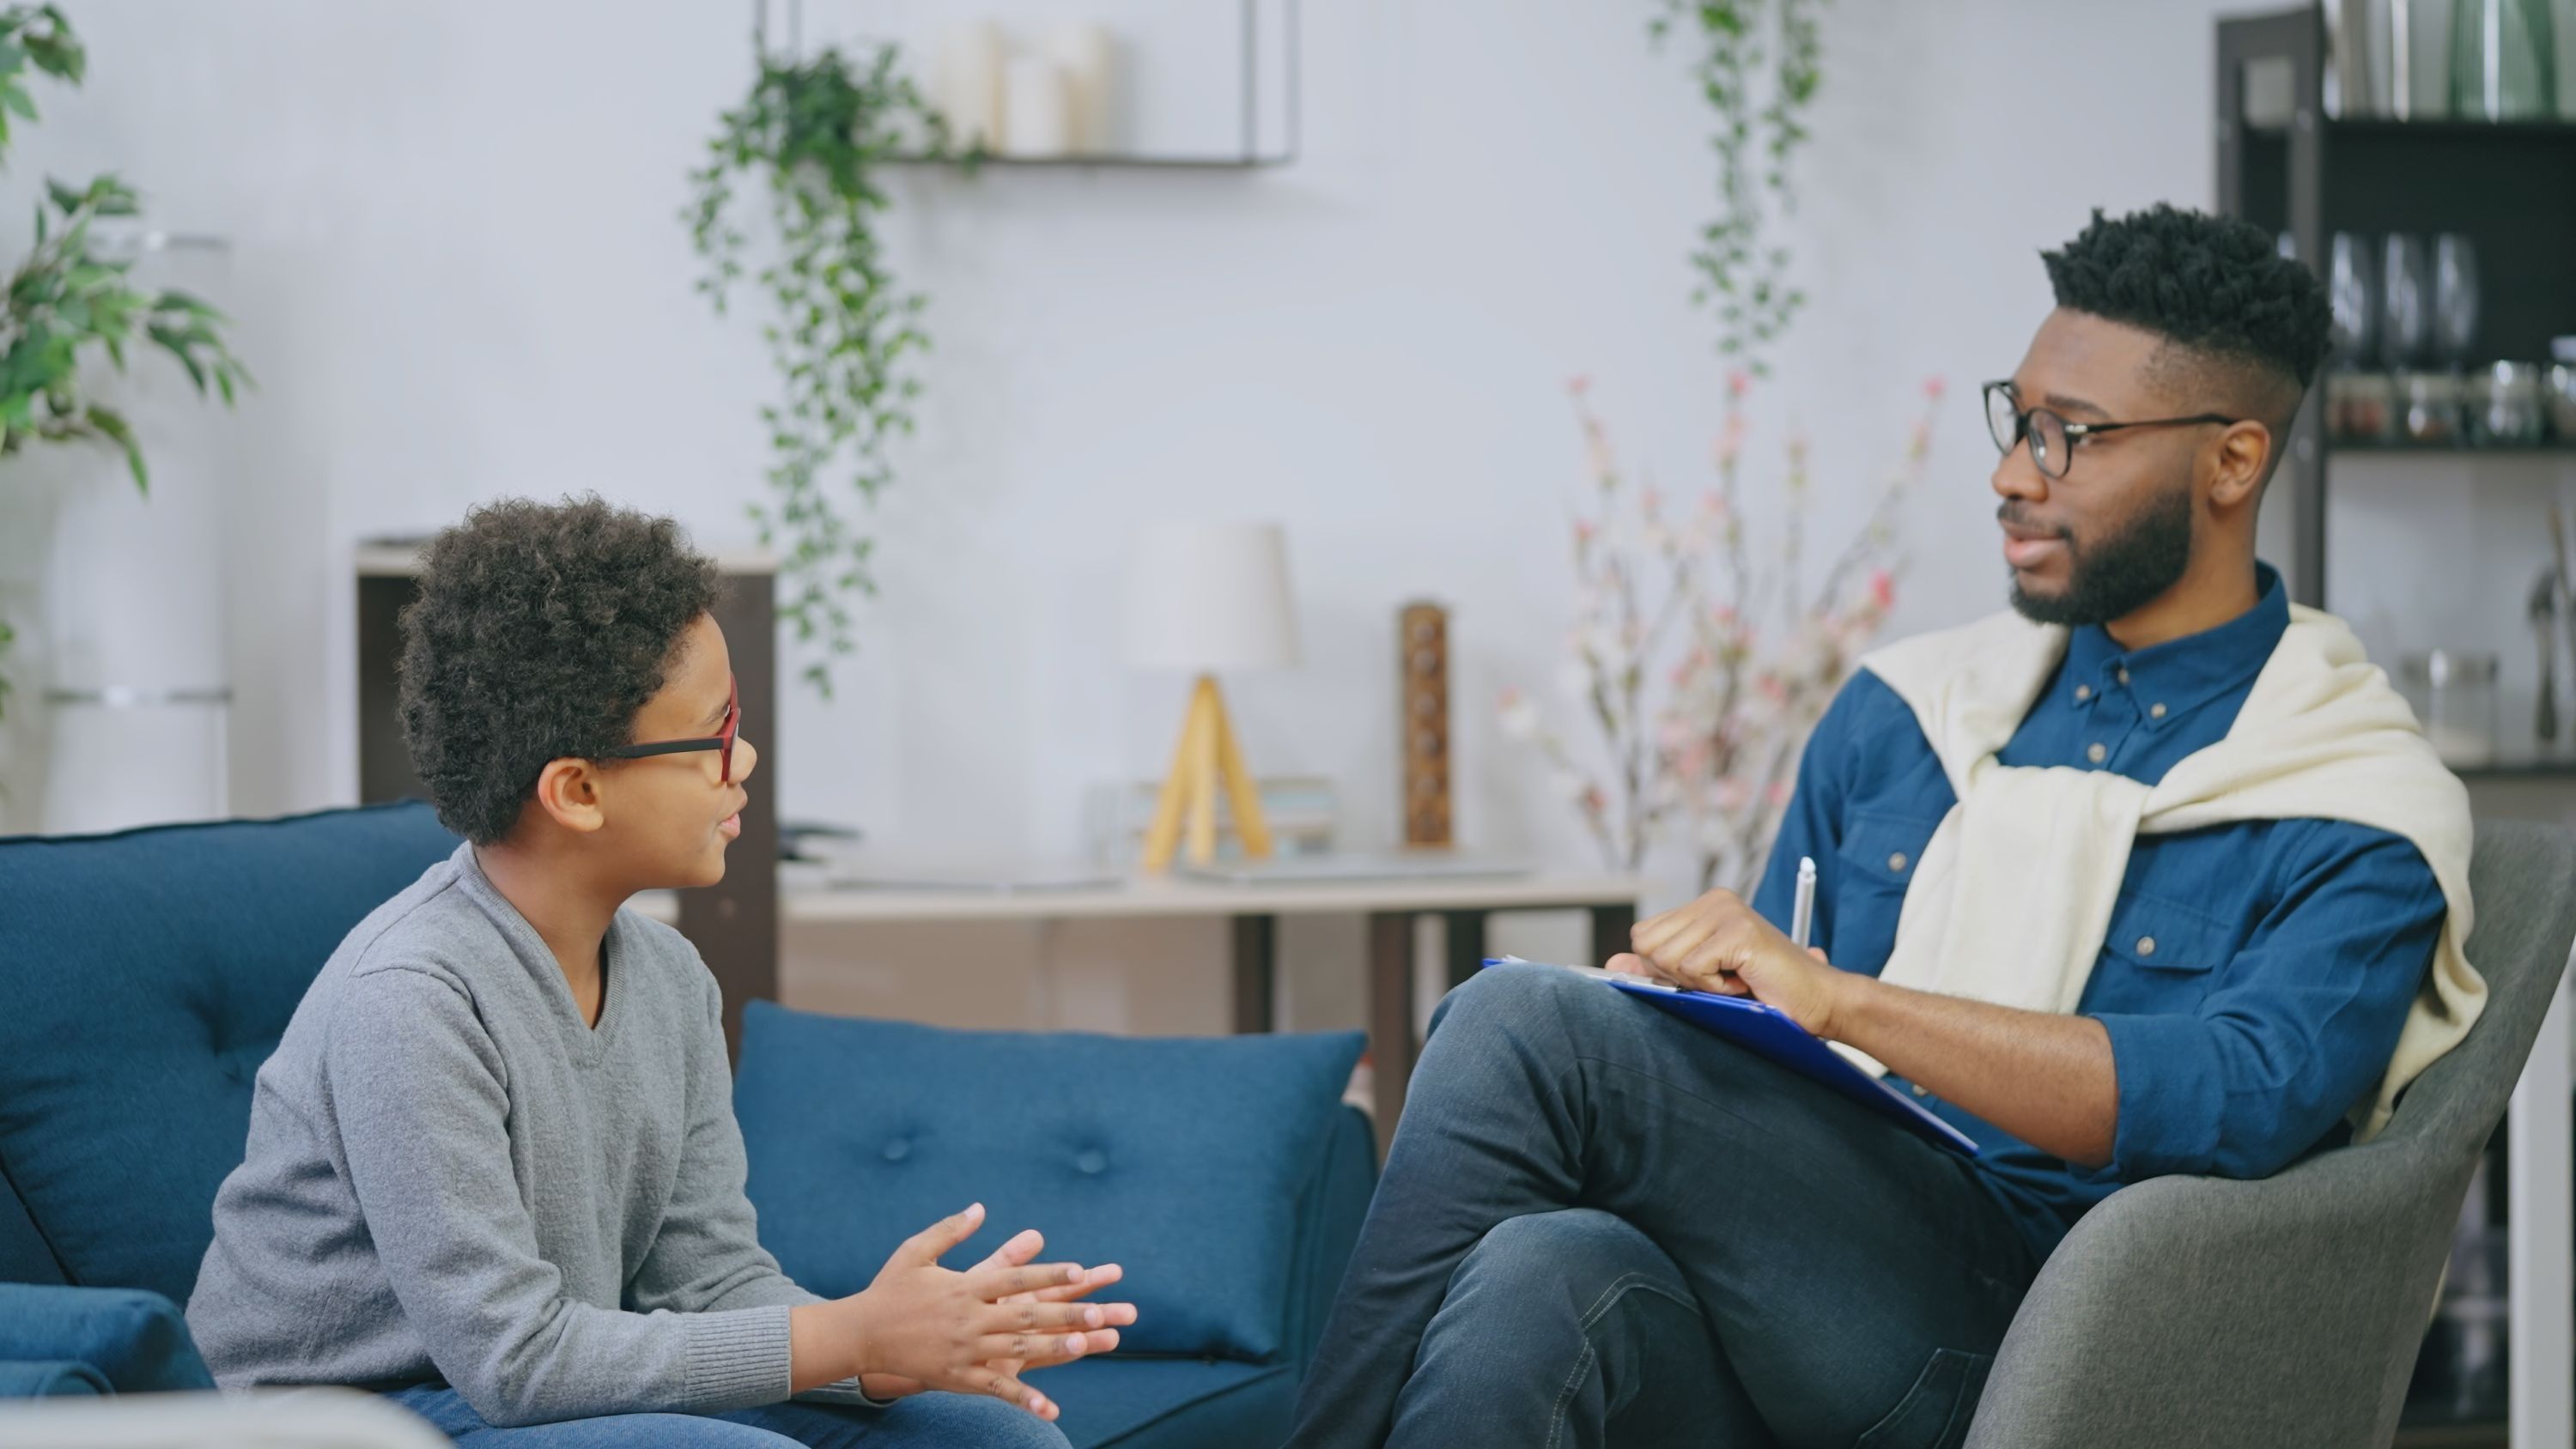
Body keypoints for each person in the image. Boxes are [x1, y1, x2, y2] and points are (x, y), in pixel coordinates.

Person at [1282, 204, 2481, 1449]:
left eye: (2074, 437)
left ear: (2232, 463)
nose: (2015, 474)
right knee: (1538, 1276)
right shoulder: (1910, 714)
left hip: (2062, 1337)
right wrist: (1691, 1015)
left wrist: (1841, 1001)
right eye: (2017, 420)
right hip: (1816, 1287)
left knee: (1524, 1026)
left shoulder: (2352, 799)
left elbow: (2240, 1098)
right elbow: (1771, 1035)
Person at [187, 498, 1134, 1447]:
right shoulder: (410, 1000)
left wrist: (892, 1353)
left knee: (991, 1437)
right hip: (350, 1414)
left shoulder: (672, 976)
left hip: (531, 1385)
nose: (746, 758)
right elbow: (514, 1359)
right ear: (579, 790)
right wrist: (849, 1329)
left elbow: (709, 1281)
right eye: (715, 734)